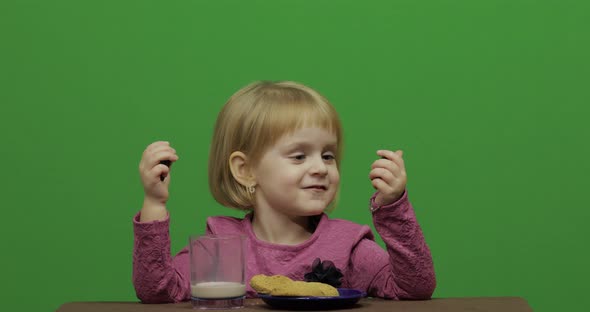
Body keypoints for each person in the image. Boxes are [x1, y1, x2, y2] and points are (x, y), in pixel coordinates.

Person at [133, 81, 436, 303]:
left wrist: (392, 206)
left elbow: (415, 286)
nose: (320, 167)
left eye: (328, 155)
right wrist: (154, 203)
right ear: (245, 170)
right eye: (299, 156)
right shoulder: (220, 247)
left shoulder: (348, 246)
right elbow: (158, 291)